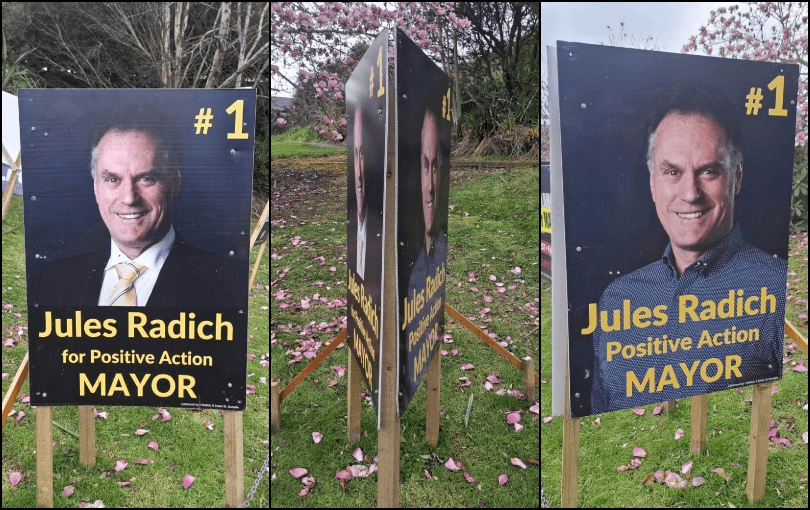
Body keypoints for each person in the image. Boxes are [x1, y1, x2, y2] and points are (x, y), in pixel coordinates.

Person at [588, 84, 787, 414]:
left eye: (709, 171)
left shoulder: (778, 289)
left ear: (736, 178)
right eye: (672, 172)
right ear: (652, 181)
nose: (690, 193)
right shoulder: (617, 298)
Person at [29, 118, 242, 307]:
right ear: (96, 189)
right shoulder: (49, 280)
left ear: (175, 183)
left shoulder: (227, 284)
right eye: (112, 179)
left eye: (146, 178)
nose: (129, 198)